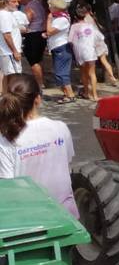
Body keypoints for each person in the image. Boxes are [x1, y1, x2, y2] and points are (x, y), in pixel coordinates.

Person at [0, 74, 79, 216]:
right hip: (67, 217)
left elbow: (8, 186)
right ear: (38, 99)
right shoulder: (60, 128)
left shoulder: (5, 138)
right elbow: (66, 163)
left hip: (30, 221)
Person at [45, 0, 75, 104]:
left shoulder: (61, 19)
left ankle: (70, 94)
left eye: (51, 5)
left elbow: (50, 31)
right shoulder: (59, 17)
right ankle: (66, 93)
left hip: (61, 46)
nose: (49, 7)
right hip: (56, 46)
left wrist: (48, 20)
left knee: (61, 72)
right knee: (59, 72)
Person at [68, 3, 99, 101]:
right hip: (90, 50)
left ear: (75, 16)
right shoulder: (90, 25)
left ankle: (87, 92)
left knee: (83, 73)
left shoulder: (74, 27)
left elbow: (70, 40)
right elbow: (97, 37)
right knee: (92, 73)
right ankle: (95, 95)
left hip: (80, 51)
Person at [20, 0, 48, 88]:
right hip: (40, 33)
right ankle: (41, 81)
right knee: (39, 60)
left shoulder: (29, 7)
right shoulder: (38, 4)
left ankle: (39, 84)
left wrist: (20, 27)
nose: (20, 1)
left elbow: (26, 22)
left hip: (32, 35)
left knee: (33, 61)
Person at [0, 0, 24, 87]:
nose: (17, 4)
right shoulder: (5, 15)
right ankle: (14, 98)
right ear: (6, 2)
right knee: (15, 76)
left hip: (9, 51)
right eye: (13, 2)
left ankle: (6, 97)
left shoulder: (9, 14)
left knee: (8, 75)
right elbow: (7, 35)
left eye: (17, 2)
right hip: (9, 51)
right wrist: (15, 51)